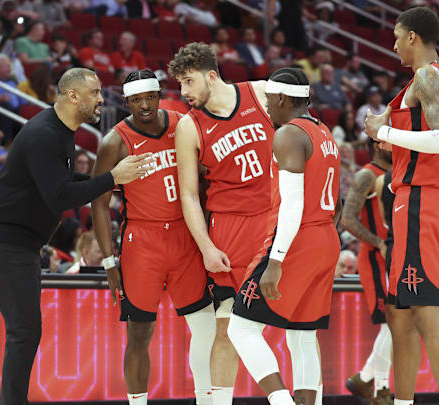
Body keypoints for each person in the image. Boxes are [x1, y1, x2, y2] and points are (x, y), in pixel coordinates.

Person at [0, 68, 153, 405]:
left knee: (24, 330)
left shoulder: (61, 130)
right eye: (96, 93)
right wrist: (112, 177)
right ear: (73, 96)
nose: (102, 99)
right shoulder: (45, 134)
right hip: (3, 239)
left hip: (19, 241)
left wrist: (113, 178)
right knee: (24, 330)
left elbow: (64, 182)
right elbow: (59, 197)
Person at [363, 7, 439, 405]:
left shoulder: (428, 76)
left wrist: (383, 131)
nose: (394, 43)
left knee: (427, 310)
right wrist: (402, 141)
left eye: (397, 36)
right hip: (430, 198)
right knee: (399, 312)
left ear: (413, 36)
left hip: (418, 199)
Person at [92, 70, 214, 405]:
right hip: (142, 243)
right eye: (136, 100)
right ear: (126, 101)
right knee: (139, 334)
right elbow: (98, 205)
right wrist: (108, 261)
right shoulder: (115, 141)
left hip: (186, 238)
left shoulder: (184, 124)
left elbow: (208, 178)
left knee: (205, 329)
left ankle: (208, 400)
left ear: (160, 95)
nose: (144, 105)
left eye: (150, 97)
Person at [227, 67, 341, 405]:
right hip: (326, 238)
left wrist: (275, 260)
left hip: (298, 240)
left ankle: (281, 402)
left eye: (267, 101)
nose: (266, 107)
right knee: (302, 336)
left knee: (241, 328)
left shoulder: (288, 134)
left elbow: (293, 204)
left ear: (281, 98)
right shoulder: (325, 132)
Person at [169, 42, 274, 405]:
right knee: (227, 327)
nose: (184, 92)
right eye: (180, 84)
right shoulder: (189, 125)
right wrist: (207, 248)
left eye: (188, 82)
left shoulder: (260, 93)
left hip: (274, 222)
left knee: (295, 327)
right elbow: (188, 195)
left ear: (211, 76)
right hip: (229, 231)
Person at [341, 139, 394, 405]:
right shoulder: (366, 174)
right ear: (378, 144)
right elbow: (347, 219)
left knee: (399, 324)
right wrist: (378, 242)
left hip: (394, 258)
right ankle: (379, 390)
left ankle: (366, 380)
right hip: (375, 258)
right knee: (392, 323)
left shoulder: (397, 173)